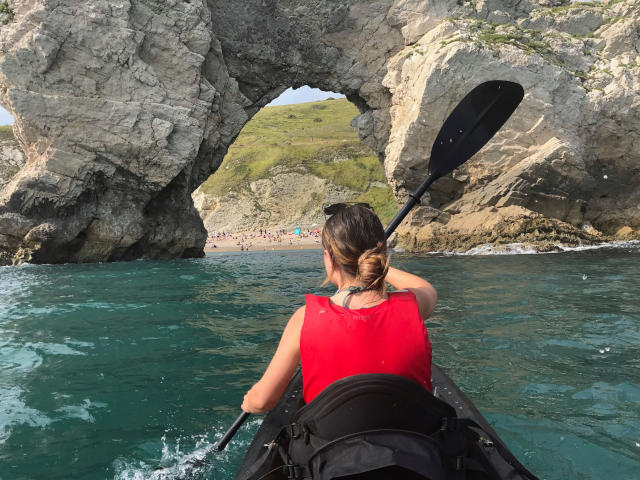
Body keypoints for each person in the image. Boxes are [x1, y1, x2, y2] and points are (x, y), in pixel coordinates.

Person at [241, 203, 437, 413]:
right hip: (412, 439)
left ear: (329, 258)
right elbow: (424, 287)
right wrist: (375, 264)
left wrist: (248, 401)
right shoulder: (413, 305)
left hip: (331, 441)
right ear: (381, 254)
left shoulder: (305, 318)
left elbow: (262, 402)